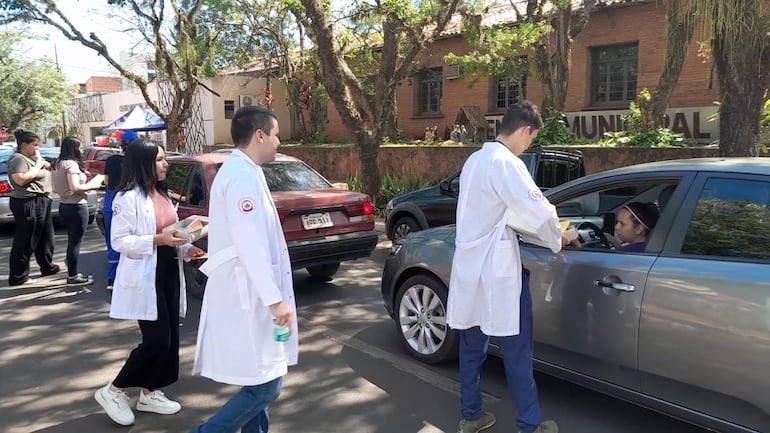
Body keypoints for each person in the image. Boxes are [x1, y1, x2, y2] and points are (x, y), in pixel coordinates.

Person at [447, 101, 569, 433]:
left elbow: (498, 210)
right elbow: (541, 213)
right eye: (532, 139)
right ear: (525, 130)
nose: (530, 145)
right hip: (498, 274)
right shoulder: (507, 163)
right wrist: (559, 239)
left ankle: (470, 417)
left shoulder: (475, 160)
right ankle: (530, 426)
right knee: (517, 354)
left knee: (472, 349)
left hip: (470, 270)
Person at [189, 105, 297, 433]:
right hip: (247, 294)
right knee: (266, 386)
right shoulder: (239, 175)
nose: (279, 142)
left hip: (250, 291)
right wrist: (274, 299)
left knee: (259, 379)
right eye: (276, 134)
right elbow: (250, 245)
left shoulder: (246, 171)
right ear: (260, 135)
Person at [94, 139, 203, 426]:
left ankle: (149, 392)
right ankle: (113, 390)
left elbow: (171, 234)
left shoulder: (162, 195)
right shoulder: (127, 198)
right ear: (143, 164)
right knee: (156, 340)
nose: (166, 164)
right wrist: (158, 240)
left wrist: (186, 247)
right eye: (159, 160)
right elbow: (119, 241)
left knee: (170, 340)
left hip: (168, 269)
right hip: (146, 275)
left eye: (165, 159)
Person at [6, 128, 60, 286]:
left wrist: (44, 165)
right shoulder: (18, 159)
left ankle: (47, 266)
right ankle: (18, 275)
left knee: (46, 238)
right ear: (24, 145)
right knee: (26, 239)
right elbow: (20, 179)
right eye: (35, 145)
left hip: (42, 199)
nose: (38, 148)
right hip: (27, 201)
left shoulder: (33, 158)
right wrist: (37, 166)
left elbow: (46, 170)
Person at [51, 137, 104, 284]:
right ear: (74, 149)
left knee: (72, 241)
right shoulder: (71, 165)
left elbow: (54, 188)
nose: (82, 151)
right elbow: (75, 188)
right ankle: (73, 276)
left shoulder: (57, 164)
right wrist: (93, 185)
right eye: (80, 148)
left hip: (64, 204)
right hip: (76, 205)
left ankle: (72, 274)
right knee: (75, 242)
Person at [103, 131, 139, 290]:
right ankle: (130, 279)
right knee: (133, 239)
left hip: (111, 199)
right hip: (131, 199)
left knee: (114, 240)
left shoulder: (111, 160)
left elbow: (106, 182)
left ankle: (112, 279)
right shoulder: (139, 162)